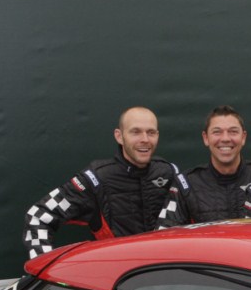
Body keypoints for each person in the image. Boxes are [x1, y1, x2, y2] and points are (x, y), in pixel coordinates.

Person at [24, 105, 177, 258]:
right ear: (119, 136)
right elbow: (38, 216)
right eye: (135, 132)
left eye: (151, 132)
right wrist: (44, 264)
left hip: (164, 268)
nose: (145, 139)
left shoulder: (168, 172)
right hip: (116, 270)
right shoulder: (95, 178)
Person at [160, 105, 251, 225]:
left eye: (233, 132)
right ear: (206, 138)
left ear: (243, 137)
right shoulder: (185, 184)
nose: (225, 138)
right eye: (217, 132)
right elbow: (166, 231)